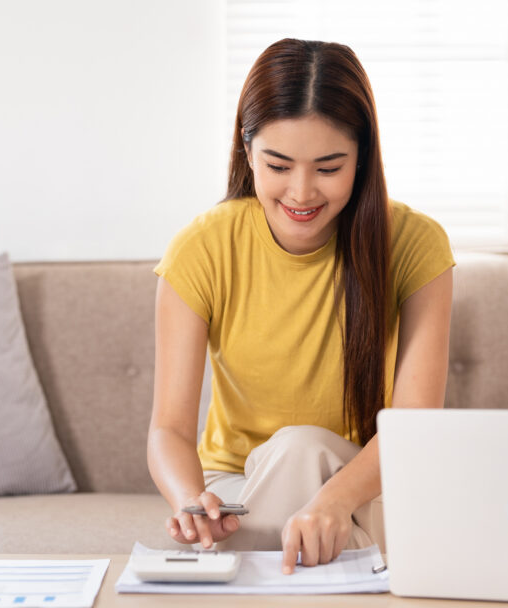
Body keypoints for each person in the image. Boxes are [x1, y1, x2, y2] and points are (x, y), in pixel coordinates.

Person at [147, 38, 455, 575]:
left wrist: (333, 500)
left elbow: (413, 425)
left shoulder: (415, 244)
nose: (302, 192)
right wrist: (191, 503)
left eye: (329, 167)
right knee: (291, 458)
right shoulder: (202, 249)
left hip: (364, 485)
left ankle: (243, 574)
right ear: (248, 152)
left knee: (301, 449)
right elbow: (169, 430)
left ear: (362, 158)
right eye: (279, 165)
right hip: (242, 490)